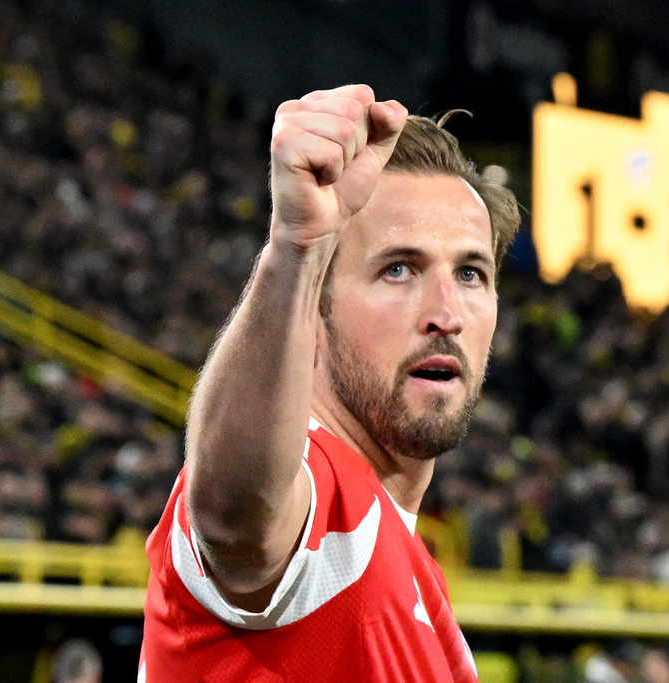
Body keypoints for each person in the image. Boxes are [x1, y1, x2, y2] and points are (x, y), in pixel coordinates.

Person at [138, 84, 520, 682]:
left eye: (471, 273)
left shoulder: (415, 572)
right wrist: (296, 250)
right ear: (313, 307)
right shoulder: (323, 509)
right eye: (399, 269)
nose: (447, 312)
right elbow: (236, 514)